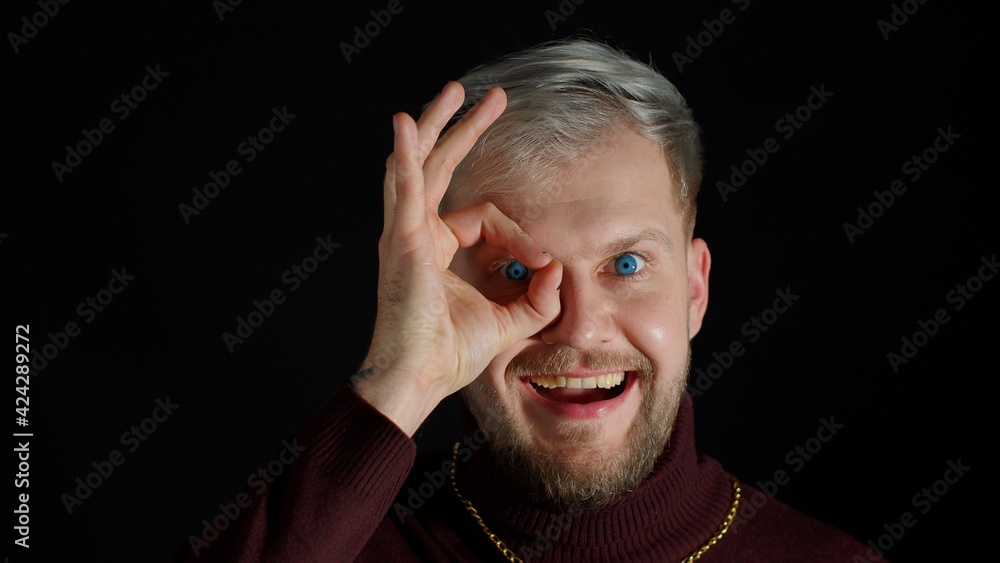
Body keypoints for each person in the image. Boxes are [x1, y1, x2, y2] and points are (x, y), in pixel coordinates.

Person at [169, 37, 875, 562]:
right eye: (512, 270)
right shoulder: (344, 543)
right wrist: (401, 376)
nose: (579, 323)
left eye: (626, 263)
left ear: (694, 289)